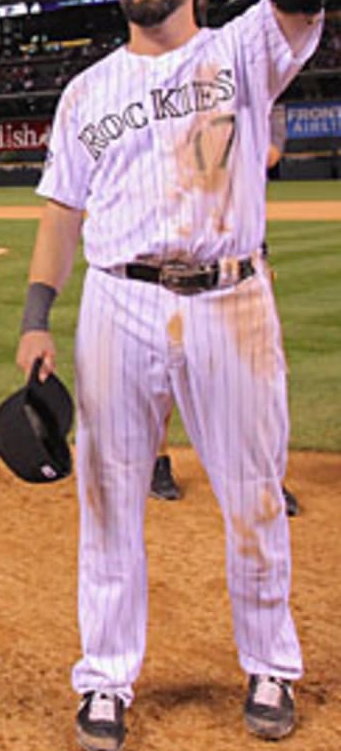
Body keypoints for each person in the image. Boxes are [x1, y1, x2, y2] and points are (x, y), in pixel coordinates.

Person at [14, 0, 341, 751]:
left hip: (231, 298)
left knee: (251, 497)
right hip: (117, 300)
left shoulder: (247, 53)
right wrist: (35, 322)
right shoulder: (85, 90)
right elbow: (61, 209)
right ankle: (106, 681)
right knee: (110, 497)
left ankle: (270, 665)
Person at [149, 105, 299, 514]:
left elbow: (268, 155)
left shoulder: (264, 101)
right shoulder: (174, 103)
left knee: (257, 374)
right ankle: (158, 463)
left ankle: (266, 477)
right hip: (174, 256)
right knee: (164, 366)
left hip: (241, 252)